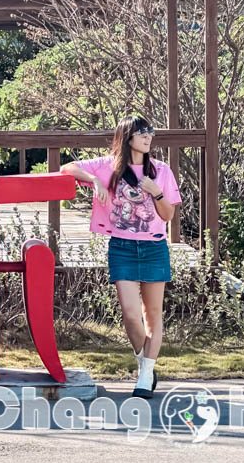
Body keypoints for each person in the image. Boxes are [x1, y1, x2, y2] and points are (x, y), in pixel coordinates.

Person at [60, 115, 181, 398]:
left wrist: (156, 193)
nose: (148, 136)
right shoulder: (109, 166)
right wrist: (94, 181)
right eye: (142, 132)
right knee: (130, 314)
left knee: (153, 315)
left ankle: (145, 374)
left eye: (150, 131)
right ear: (127, 137)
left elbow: (168, 215)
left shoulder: (161, 170)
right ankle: (145, 362)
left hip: (154, 247)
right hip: (122, 247)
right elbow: (67, 168)